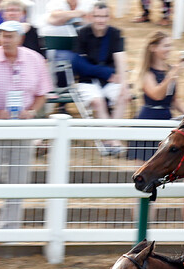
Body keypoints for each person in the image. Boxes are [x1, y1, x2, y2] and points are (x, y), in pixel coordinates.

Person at [0, 20, 52, 229]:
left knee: (18, 180)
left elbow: (42, 93)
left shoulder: (35, 59)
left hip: (22, 128)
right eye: (2, 35)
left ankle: (10, 228)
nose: (5, 40)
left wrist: (32, 112)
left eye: (10, 36)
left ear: (20, 38)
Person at [72, 2, 131, 155]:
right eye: (97, 16)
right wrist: (104, 72)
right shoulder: (83, 33)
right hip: (89, 80)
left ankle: (110, 138)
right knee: (98, 101)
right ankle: (112, 140)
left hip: (110, 80)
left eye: (104, 16)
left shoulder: (115, 33)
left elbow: (120, 59)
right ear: (91, 17)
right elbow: (78, 64)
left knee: (124, 96)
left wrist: (124, 83)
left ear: (109, 17)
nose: (100, 20)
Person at [127, 31, 184, 162]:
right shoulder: (147, 72)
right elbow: (156, 95)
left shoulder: (170, 69)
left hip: (166, 118)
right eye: (165, 46)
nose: (169, 49)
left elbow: (175, 99)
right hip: (148, 119)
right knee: (144, 164)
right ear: (153, 48)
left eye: (170, 45)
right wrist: (171, 75)